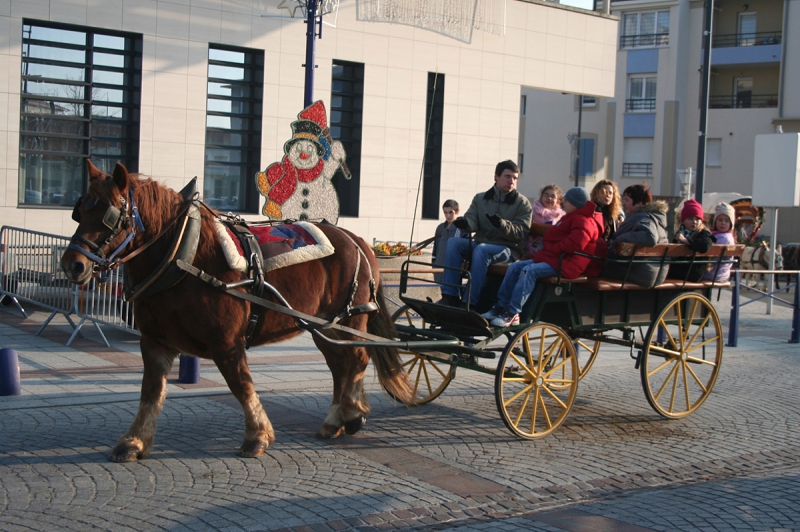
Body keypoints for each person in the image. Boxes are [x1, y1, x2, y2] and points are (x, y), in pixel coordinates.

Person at [481, 187, 603, 327]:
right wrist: (551, 247)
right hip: (555, 258)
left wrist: (552, 247)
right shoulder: (572, 217)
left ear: (575, 204)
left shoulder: (585, 221)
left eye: (567, 201)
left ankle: (512, 312)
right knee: (515, 266)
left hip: (567, 264)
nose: (564, 203)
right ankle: (500, 306)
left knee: (530, 271)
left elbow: (574, 244)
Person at [438, 160, 532, 307]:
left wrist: (502, 225)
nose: (511, 181)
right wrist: (466, 224)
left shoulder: (522, 203)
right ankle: (450, 295)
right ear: (496, 176)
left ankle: (470, 301)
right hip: (482, 244)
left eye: (515, 178)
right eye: (507, 177)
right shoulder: (480, 198)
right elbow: (472, 219)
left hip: (508, 249)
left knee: (482, 249)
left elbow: (521, 232)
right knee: (453, 243)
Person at [601, 184, 669, 287]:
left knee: (593, 266)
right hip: (653, 272)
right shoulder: (654, 217)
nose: (624, 203)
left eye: (627, 200)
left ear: (639, 203)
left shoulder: (643, 217)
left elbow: (650, 236)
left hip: (641, 273)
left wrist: (619, 239)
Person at [668, 199, 715, 282]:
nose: (694, 222)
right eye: (690, 219)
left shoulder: (704, 233)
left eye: (697, 219)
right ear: (683, 221)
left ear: (701, 221)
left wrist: (686, 241)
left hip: (693, 272)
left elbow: (706, 245)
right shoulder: (680, 233)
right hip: (682, 268)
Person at [525, 184, 565, 257]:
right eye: (546, 195)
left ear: (558, 202)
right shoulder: (533, 212)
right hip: (533, 246)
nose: (549, 198)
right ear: (541, 198)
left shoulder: (561, 216)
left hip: (551, 249)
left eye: (553, 196)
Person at [431, 199, 467, 283]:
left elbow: (466, 252)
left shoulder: (462, 229)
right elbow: (435, 250)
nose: (448, 215)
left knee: (453, 292)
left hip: (453, 269)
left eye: (451, 212)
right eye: (445, 212)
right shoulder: (440, 228)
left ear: (457, 211)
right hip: (438, 268)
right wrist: (434, 266)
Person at [703, 202, 737, 282]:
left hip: (713, 273)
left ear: (731, 224)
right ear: (715, 221)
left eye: (726, 221)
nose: (723, 223)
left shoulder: (724, 238)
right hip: (721, 273)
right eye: (720, 220)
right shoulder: (724, 236)